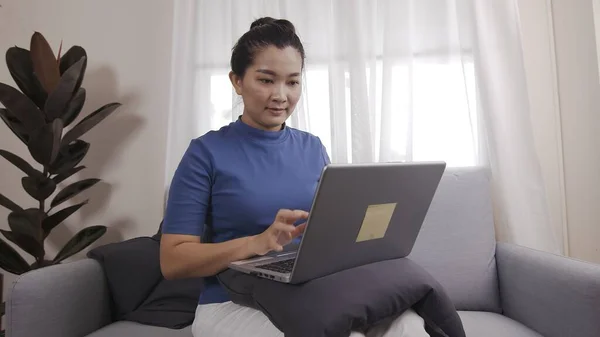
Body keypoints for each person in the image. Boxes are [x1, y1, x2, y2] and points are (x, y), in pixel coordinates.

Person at [160, 17, 429, 337]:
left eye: (292, 82)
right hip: (232, 303)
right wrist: (256, 243)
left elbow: (330, 234)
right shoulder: (205, 153)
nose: (280, 95)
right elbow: (173, 260)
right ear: (237, 81)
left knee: (409, 326)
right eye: (266, 80)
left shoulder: (312, 148)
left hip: (310, 291)